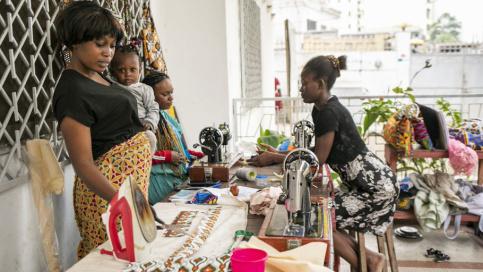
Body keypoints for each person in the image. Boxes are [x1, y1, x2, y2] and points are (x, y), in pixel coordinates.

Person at [251, 55, 399, 272]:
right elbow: (318, 150)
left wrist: (276, 158)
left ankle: (366, 264)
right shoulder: (320, 110)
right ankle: (369, 258)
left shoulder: (329, 112)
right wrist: (283, 154)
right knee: (320, 212)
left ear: (319, 84)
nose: (301, 89)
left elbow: (318, 159)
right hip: (360, 183)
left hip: (375, 188)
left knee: (317, 217)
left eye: (304, 83)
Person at [52, 1, 151, 259]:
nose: (108, 53)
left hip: (126, 189)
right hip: (108, 195)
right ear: (75, 41)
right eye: (100, 45)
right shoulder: (72, 90)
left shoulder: (98, 76)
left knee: (132, 254)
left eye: (111, 45)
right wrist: (121, 201)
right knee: (112, 258)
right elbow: (83, 163)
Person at [142, 72, 204, 204]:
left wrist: (194, 155)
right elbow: (141, 157)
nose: (171, 98)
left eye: (171, 92)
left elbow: (177, 147)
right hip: (158, 181)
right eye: (165, 94)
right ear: (149, 98)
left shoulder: (166, 117)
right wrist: (167, 156)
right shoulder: (146, 123)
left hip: (175, 178)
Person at [109, 42, 159, 153]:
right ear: (112, 72)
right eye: (121, 70)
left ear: (140, 70)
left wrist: (149, 122)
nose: (127, 74)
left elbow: (153, 108)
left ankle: (146, 160)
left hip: (140, 128)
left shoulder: (144, 89)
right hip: (118, 130)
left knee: (149, 138)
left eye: (132, 70)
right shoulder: (110, 85)